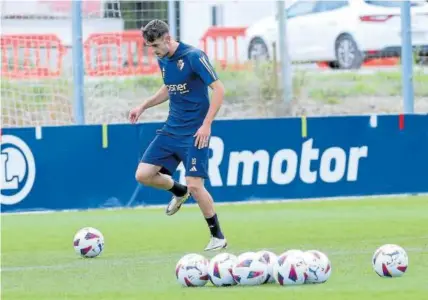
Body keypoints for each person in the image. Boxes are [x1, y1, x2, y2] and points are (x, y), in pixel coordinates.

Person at [129, 19, 227, 251]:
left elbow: (220, 89)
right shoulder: (163, 59)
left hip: (194, 133)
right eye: (149, 47)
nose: (153, 51)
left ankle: (218, 237)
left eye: (154, 46)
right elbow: (168, 88)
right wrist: (143, 105)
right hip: (171, 129)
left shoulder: (193, 56)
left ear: (167, 38)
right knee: (143, 175)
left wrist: (206, 125)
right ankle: (178, 191)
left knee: (196, 185)